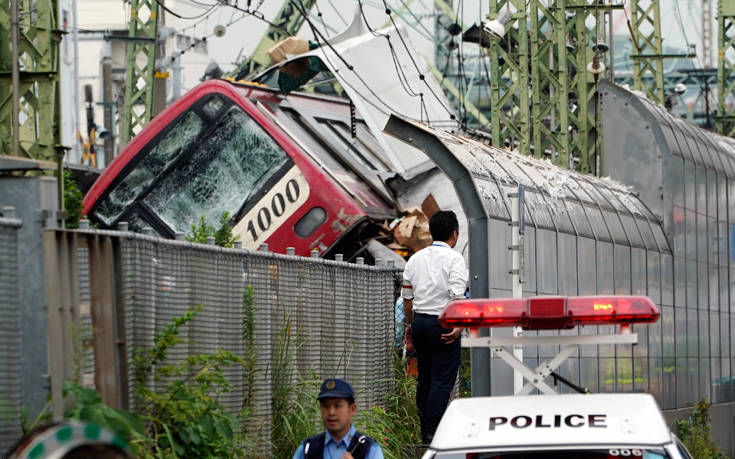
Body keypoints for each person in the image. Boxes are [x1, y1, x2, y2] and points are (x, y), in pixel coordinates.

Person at [402, 210, 468, 444]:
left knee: (425, 379)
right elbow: (457, 295)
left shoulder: (415, 258)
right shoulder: (455, 259)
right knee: (442, 380)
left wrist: (410, 324)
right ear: (455, 234)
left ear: (431, 232)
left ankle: (424, 431)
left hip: (420, 322)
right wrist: (459, 324)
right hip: (444, 322)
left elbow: (407, 298)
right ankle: (434, 433)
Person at [292, 378, 384, 459]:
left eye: (337, 406)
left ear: (352, 409)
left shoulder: (370, 449)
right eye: (326, 406)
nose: (331, 412)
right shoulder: (307, 449)